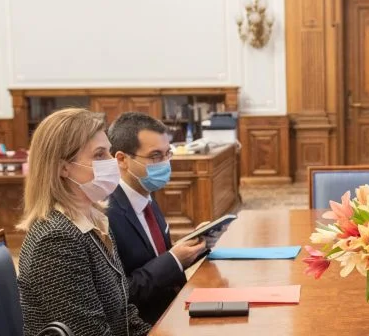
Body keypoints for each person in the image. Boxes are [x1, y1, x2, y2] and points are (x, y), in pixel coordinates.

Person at [16, 108, 150, 336]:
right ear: (63, 168)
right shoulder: (56, 240)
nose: (112, 162)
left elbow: (123, 314)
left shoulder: (94, 219)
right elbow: (89, 332)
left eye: (109, 152)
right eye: (99, 155)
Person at [106, 112, 224, 324]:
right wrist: (174, 259)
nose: (165, 163)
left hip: (176, 309)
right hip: (146, 323)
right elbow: (120, 294)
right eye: (155, 156)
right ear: (122, 160)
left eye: (167, 153)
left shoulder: (146, 194)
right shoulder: (107, 215)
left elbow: (157, 257)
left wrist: (195, 245)